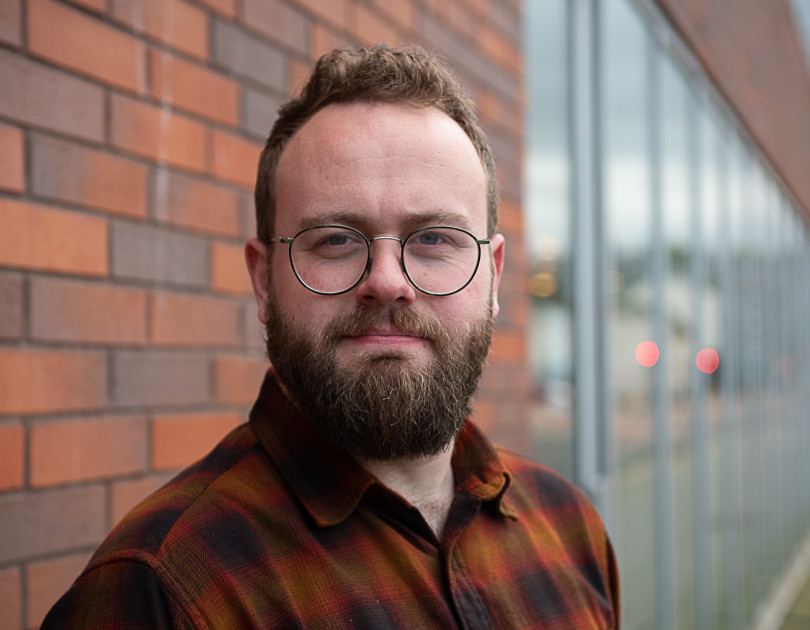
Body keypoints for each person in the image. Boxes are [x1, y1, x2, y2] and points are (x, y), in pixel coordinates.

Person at [41, 44, 619, 629]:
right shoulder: (158, 592)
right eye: (337, 240)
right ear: (264, 281)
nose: (387, 282)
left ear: (492, 276)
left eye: (434, 239)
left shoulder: (570, 528)